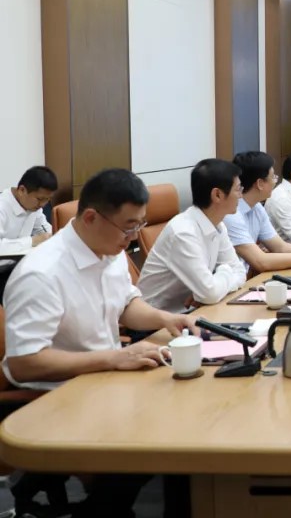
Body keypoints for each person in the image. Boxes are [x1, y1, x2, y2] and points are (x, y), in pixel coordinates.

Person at [3, 168, 199, 517]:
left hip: (105, 379)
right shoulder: (42, 273)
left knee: (188, 415)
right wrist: (114, 358)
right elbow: (24, 364)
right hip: (59, 394)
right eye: (128, 226)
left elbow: (125, 305)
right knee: (161, 440)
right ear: (91, 217)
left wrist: (165, 319)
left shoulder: (109, 250)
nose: (133, 237)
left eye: (140, 225)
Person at [138, 159, 247, 312]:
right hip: (157, 320)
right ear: (217, 195)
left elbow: (240, 272)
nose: (241, 196)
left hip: (193, 312)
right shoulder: (183, 233)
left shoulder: (218, 225)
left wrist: (204, 293)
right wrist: (224, 271)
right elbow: (210, 293)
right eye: (238, 189)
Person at [224, 152, 291, 274]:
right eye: (273, 177)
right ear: (260, 184)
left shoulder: (257, 207)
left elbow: (280, 247)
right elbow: (261, 262)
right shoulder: (231, 215)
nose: (275, 181)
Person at [0, 165, 58, 245]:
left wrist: (55, 236)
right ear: (22, 190)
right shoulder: (2, 206)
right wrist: (32, 241)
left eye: (47, 199)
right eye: (39, 199)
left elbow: (43, 229)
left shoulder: (34, 207)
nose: (43, 205)